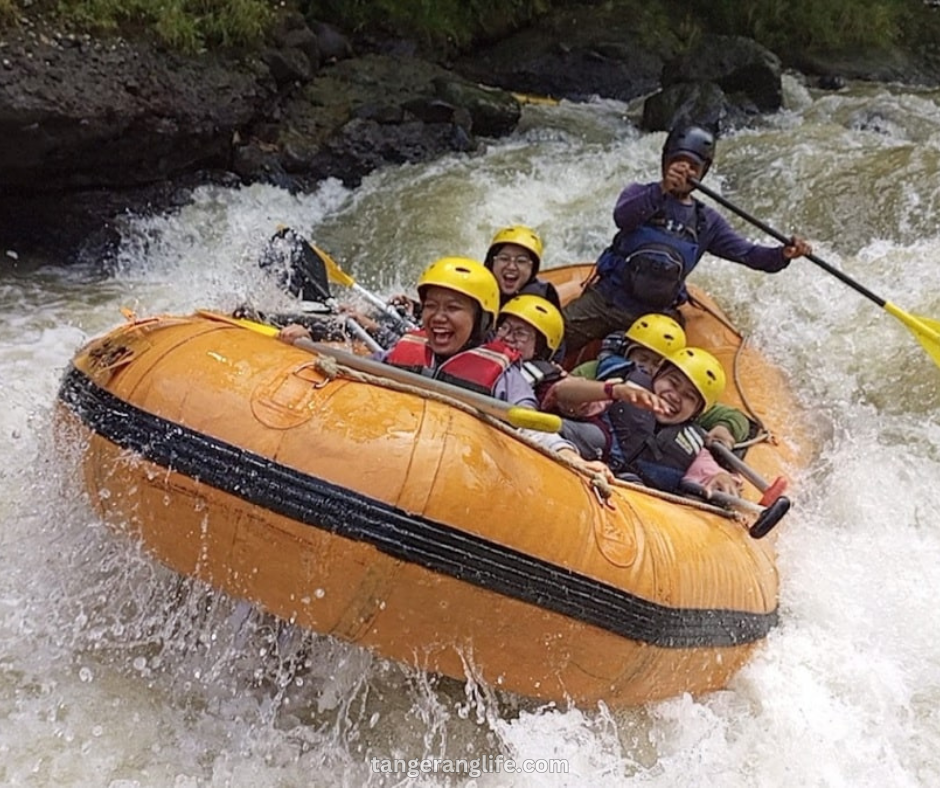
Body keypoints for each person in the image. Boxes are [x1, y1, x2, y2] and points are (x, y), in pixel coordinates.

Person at [562, 124, 814, 355]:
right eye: (678, 163)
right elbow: (623, 217)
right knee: (552, 334)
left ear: (703, 172)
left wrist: (782, 254)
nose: (685, 171)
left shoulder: (706, 221)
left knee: (665, 377)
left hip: (656, 316)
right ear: (665, 162)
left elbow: (750, 255)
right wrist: (662, 188)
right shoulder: (640, 193)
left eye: (693, 166)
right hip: (606, 300)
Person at [604, 346, 741, 496]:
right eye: (673, 383)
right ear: (657, 375)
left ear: (696, 413)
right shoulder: (623, 392)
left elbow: (708, 471)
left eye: (689, 396)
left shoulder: (691, 444)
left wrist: (722, 477)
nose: (675, 396)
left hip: (635, 496)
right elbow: (584, 405)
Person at [483, 225, 561, 309]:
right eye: (504, 259)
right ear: (492, 262)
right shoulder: (478, 287)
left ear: (532, 268)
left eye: (521, 261)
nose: (511, 267)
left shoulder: (545, 296)